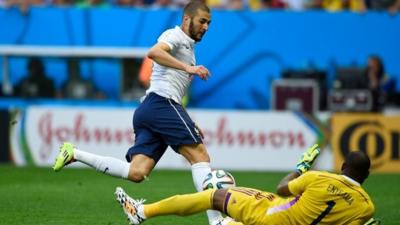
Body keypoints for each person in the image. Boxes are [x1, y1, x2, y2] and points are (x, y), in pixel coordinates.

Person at [53, 1, 221, 224]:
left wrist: (187, 119)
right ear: (187, 19)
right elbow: (154, 52)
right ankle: (217, 221)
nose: (206, 27)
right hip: (160, 104)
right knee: (200, 156)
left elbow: (172, 86)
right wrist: (189, 68)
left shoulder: (188, 48)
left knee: (137, 172)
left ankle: (74, 153)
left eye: (209, 23)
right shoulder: (175, 35)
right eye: (202, 21)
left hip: (151, 108)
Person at [115, 144, 377, 225]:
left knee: (215, 196)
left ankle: (141, 213)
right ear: (366, 176)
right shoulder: (367, 207)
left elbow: (283, 188)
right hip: (286, 213)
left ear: (343, 166)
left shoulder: (320, 178)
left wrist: (301, 167)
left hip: (274, 216)